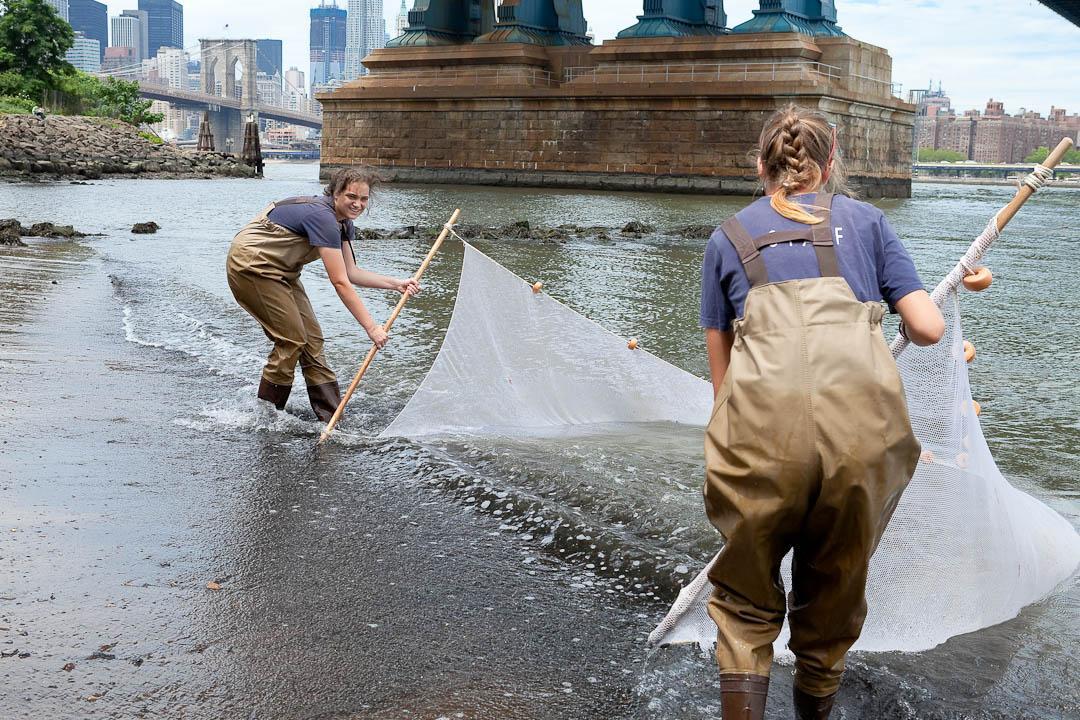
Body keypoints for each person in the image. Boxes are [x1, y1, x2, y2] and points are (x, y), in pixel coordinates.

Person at [699, 105, 944, 720]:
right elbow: (928, 328)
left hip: (759, 436)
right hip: (861, 437)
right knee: (833, 589)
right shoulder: (868, 223)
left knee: (746, 598)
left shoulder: (727, 239)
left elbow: (722, 382)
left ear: (761, 166)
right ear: (831, 164)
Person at [226, 166, 419, 422]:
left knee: (313, 341)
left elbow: (352, 273)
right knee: (292, 339)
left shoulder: (343, 224)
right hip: (251, 267)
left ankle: (330, 417)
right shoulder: (323, 217)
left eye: (363, 199)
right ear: (336, 193)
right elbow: (339, 282)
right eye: (352, 196)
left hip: (283, 272)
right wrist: (372, 327)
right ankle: (266, 415)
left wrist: (396, 284)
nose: (358, 204)